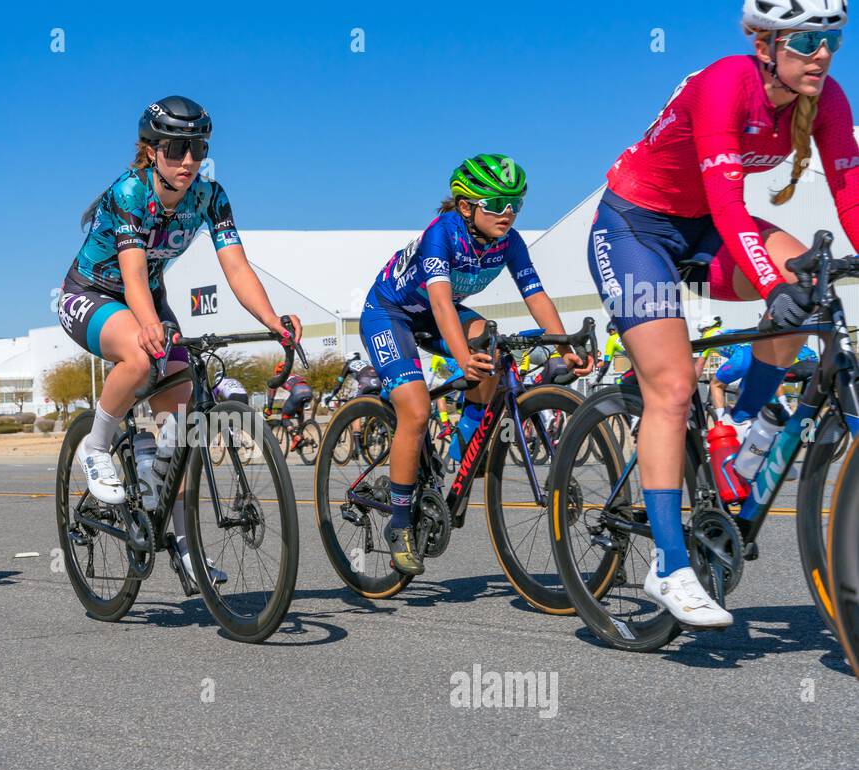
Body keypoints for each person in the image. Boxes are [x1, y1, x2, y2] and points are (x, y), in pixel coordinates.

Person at [587, 0, 857, 627]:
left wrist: (787, 286)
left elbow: (851, 192)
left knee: (807, 288)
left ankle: (744, 431)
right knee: (674, 387)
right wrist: (769, 285)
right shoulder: (724, 83)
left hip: (703, 227)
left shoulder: (828, 97)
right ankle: (669, 564)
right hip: (635, 230)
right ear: (765, 44)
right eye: (805, 40)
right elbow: (729, 203)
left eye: (834, 39)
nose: (822, 54)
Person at [57, 96, 303, 589]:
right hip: (91, 293)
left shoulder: (211, 197)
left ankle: (183, 543)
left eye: (197, 148)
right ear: (150, 150)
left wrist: (273, 319)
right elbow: (130, 276)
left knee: (183, 425)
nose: (187, 160)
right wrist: (147, 325)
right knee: (139, 354)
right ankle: (96, 445)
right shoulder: (130, 191)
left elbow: (235, 266)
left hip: (148, 296)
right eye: (174, 148)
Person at [361, 153, 590, 574]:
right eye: (497, 205)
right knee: (414, 407)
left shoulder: (510, 241)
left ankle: (466, 438)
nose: (508, 214)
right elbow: (442, 302)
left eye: (515, 204)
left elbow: (534, 294)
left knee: (493, 345)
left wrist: (562, 346)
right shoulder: (441, 234)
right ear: (466, 206)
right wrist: (463, 360)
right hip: (391, 313)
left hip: (436, 313)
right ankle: (398, 523)